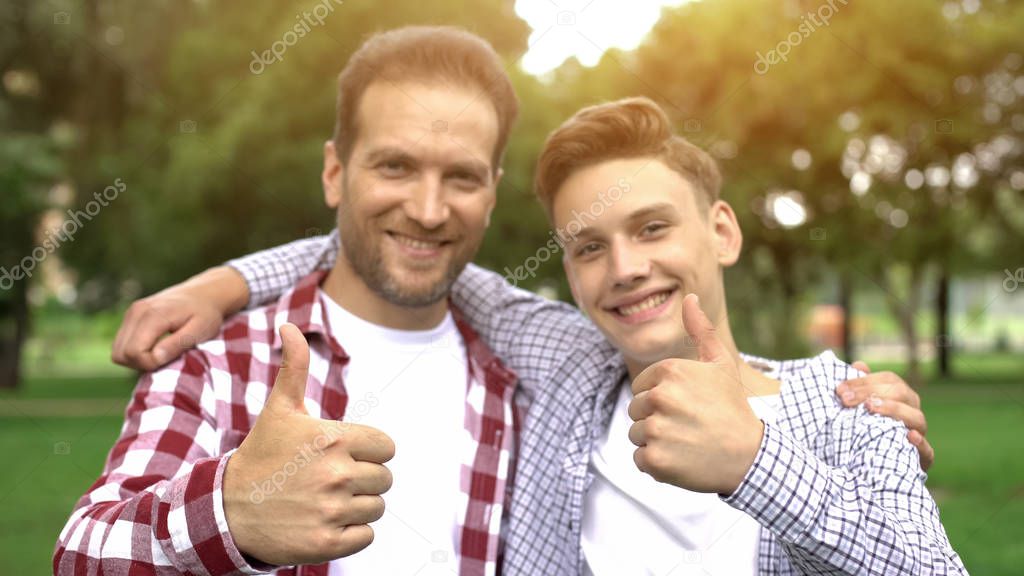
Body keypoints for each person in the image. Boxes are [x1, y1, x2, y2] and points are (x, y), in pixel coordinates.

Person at [104, 98, 956, 574]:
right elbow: (410, 246)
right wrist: (230, 282)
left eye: (654, 229)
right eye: (589, 246)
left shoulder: (846, 402)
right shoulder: (568, 374)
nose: (624, 269)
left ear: (722, 233)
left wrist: (754, 463)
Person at [54, 26, 521, 576]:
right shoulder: (218, 360)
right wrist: (229, 515)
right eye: (395, 166)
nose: (428, 209)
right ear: (334, 173)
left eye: (462, 177)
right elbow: (82, 556)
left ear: (491, 193)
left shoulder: (526, 379)